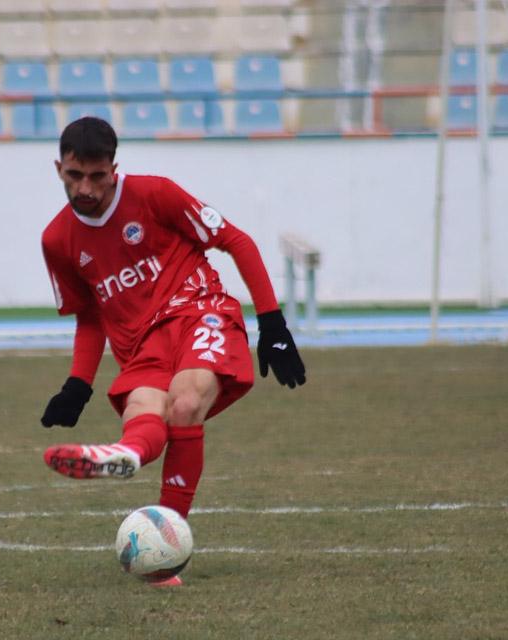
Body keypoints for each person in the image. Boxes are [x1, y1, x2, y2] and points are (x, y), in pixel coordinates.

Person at [38, 117, 307, 585]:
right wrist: (77, 385)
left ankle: (164, 535)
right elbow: (88, 315)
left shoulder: (155, 194)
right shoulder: (57, 240)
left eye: (97, 176)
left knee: (184, 403)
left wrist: (272, 322)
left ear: (114, 169)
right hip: (140, 346)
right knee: (144, 409)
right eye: (74, 176)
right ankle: (127, 464)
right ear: (58, 168)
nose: (86, 188)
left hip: (199, 312)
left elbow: (235, 240)